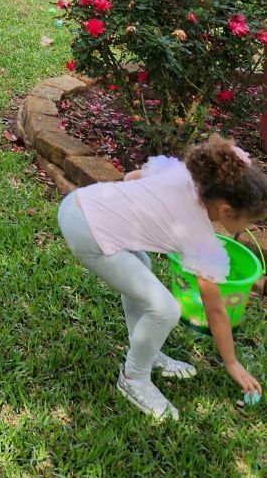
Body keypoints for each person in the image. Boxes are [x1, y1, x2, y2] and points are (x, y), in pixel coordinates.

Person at [58, 136, 266, 421]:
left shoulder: (185, 174)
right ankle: (134, 379)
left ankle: (145, 348)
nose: (250, 227)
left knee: (141, 264)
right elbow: (215, 309)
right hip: (87, 232)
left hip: (79, 203)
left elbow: (132, 177)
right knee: (166, 309)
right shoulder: (201, 239)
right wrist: (231, 363)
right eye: (249, 222)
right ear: (226, 211)